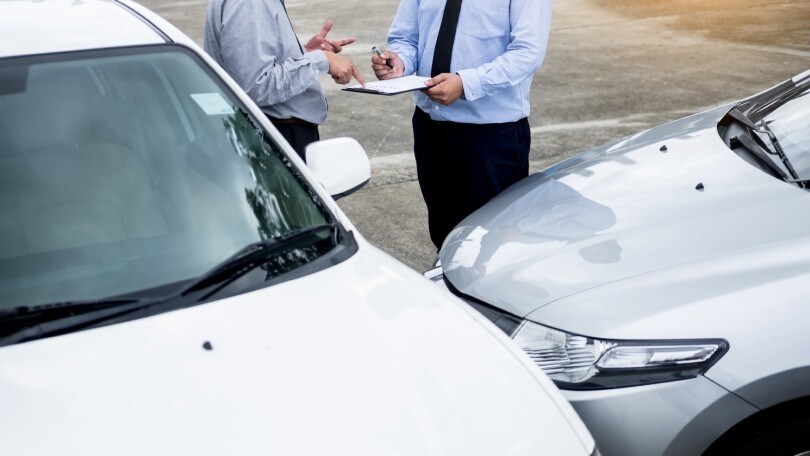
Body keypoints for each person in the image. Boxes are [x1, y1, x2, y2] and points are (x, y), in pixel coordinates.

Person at [371, 0, 553, 249]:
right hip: (430, 127)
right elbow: (406, 38)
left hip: (491, 135)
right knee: (446, 236)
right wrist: (400, 62)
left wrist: (466, 83)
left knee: (497, 241)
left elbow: (527, 52)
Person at [204, 1, 366, 160]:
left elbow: (251, 66)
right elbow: (255, 85)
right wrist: (321, 60)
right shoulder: (251, 4)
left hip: (267, 135)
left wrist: (302, 54)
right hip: (270, 141)